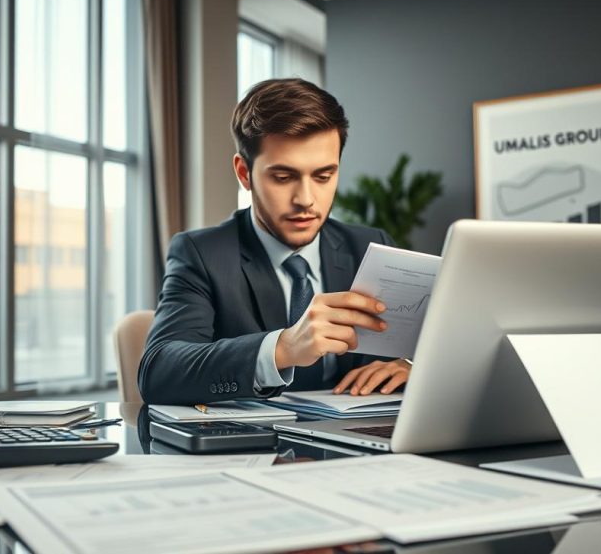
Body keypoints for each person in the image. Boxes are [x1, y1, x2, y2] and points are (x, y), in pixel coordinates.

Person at [138, 78, 411, 405]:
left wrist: (411, 367)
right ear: (244, 173)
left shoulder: (371, 247)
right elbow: (159, 371)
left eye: (324, 176)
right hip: (252, 451)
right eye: (283, 177)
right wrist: (283, 349)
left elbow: (425, 345)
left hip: (363, 446)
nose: (306, 199)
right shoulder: (202, 254)